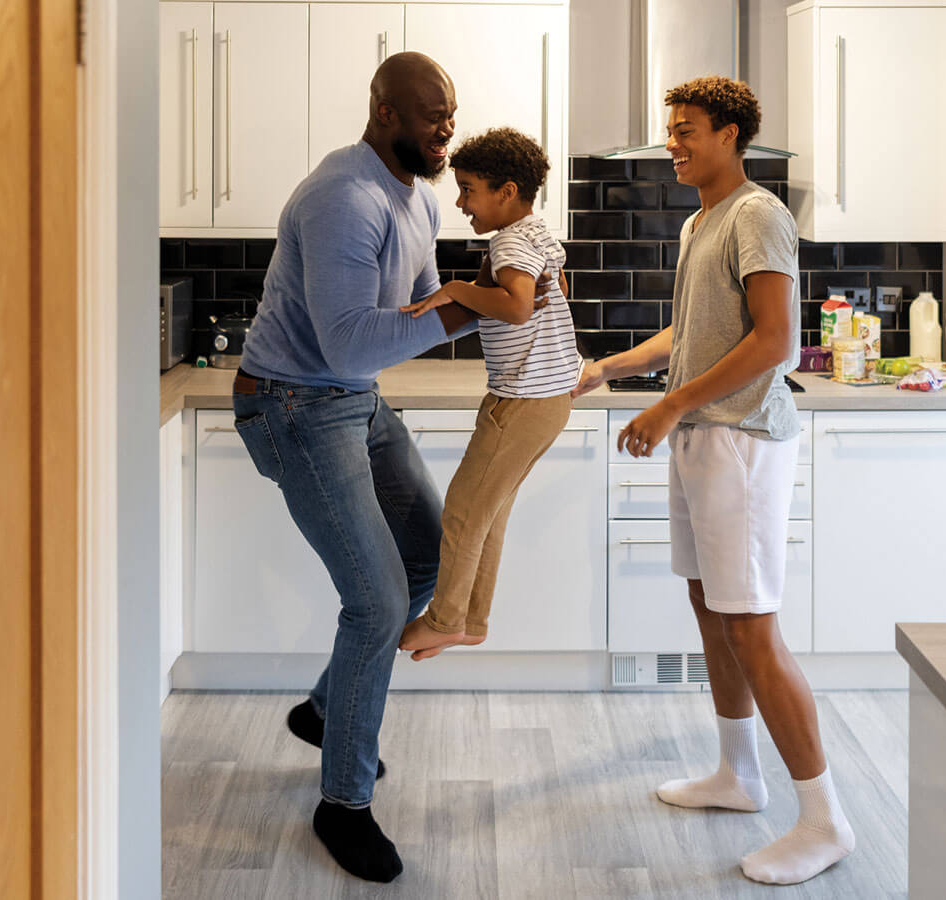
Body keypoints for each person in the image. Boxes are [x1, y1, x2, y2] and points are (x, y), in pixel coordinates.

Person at [573, 76, 857, 886]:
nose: (673, 144)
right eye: (670, 129)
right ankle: (739, 773)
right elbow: (695, 330)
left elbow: (775, 342)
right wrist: (611, 366)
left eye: (687, 129)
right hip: (705, 435)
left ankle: (825, 821)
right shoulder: (702, 221)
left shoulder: (757, 215)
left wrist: (669, 406)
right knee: (712, 608)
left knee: (753, 628)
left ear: (731, 134)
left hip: (741, 443)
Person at [232, 52, 484, 884]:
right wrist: (473, 305)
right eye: (431, 114)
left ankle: (323, 710)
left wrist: (482, 301)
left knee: (429, 556)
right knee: (375, 601)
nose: (446, 127)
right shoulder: (344, 197)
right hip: (292, 404)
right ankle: (342, 805)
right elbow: (349, 341)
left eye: (450, 114)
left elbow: (414, 311)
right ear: (385, 113)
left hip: (352, 399)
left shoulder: (419, 197)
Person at [395, 127, 581, 660]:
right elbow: (556, 289)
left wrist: (456, 289)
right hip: (550, 399)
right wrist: (487, 289)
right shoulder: (537, 233)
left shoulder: (508, 242)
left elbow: (519, 306)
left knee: (462, 512)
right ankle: (471, 622)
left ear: (506, 191)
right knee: (489, 512)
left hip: (522, 399)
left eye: (468, 190)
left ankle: (445, 619)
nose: (461, 203)